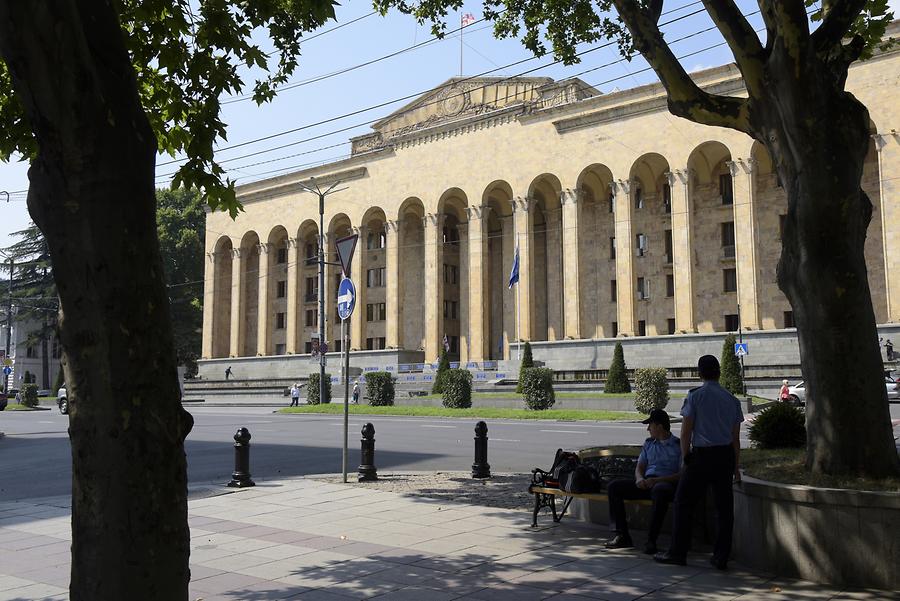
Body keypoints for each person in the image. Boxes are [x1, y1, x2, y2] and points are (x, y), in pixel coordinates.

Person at [655, 354, 743, 571]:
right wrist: (736, 467)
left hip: (702, 457)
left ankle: (678, 552)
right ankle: (721, 556)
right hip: (724, 457)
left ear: (699, 373)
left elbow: (685, 432)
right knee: (724, 508)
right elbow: (735, 438)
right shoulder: (732, 400)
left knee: (683, 503)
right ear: (719, 372)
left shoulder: (695, 396)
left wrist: (685, 458)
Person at [605, 408, 681, 555]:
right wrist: (639, 478)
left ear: (659, 427)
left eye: (650, 425)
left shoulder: (678, 445)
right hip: (647, 483)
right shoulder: (649, 443)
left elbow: (681, 474)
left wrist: (657, 480)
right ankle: (622, 535)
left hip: (665, 484)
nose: (648, 429)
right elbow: (640, 466)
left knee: (660, 491)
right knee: (614, 487)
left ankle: (651, 540)